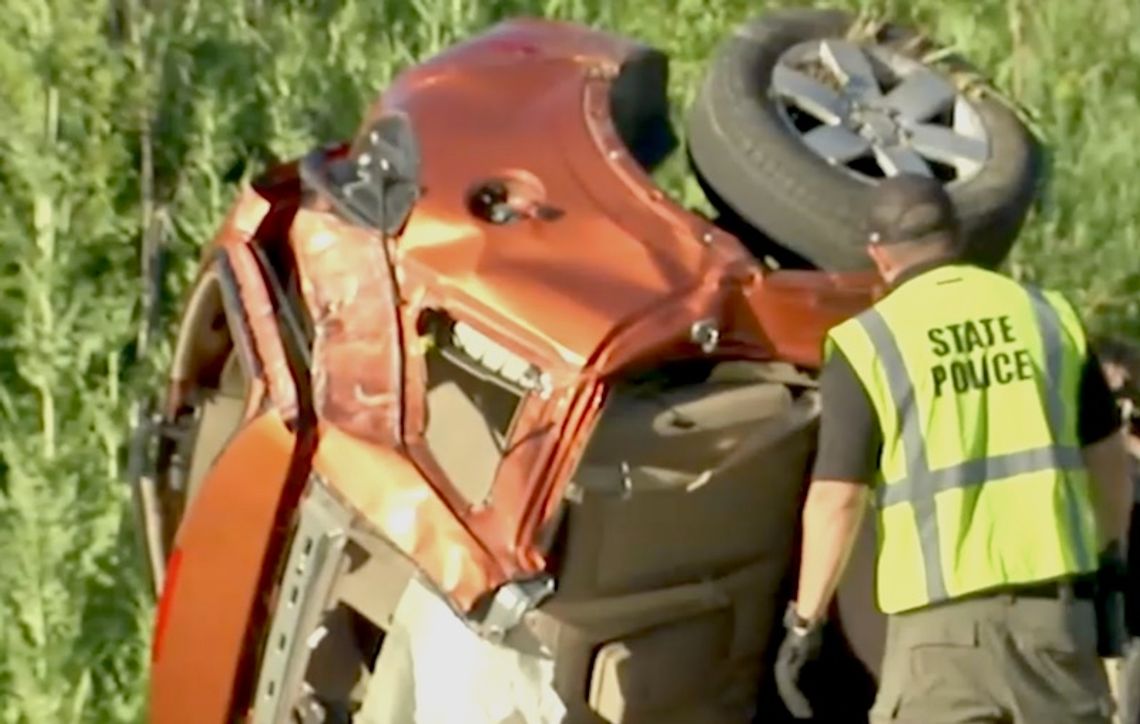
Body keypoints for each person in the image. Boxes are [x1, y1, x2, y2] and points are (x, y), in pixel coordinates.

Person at [772, 174, 1133, 723]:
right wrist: (1111, 567)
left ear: (878, 254)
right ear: (956, 236)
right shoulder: (1048, 318)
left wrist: (806, 622)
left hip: (940, 639)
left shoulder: (870, 342)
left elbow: (836, 503)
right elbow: (1108, 466)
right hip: (1054, 624)